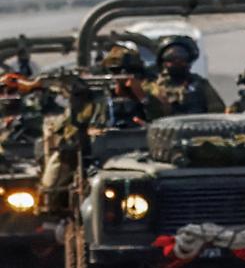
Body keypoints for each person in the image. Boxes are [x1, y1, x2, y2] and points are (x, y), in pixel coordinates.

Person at [39, 44, 167, 205]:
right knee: (56, 177)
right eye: (116, 72)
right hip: (100, 158)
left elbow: (164, 120)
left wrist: (142, 97)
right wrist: (80, 104)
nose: (122, 77)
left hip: (142, 157)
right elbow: (72, 132)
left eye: (129, 72)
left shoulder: (151, 91)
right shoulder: (98, 98)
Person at [148, 35, 225, 115]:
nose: (177, 62)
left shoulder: (200, 84)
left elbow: (217, 111)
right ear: (163, 62)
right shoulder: (154, 88)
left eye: (182, 58)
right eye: (171, 58)